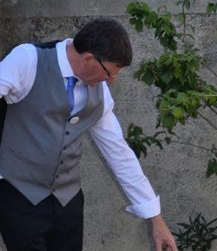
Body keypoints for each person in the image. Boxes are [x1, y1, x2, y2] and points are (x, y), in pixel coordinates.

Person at [0, 18, 177, 251]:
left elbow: (118, 152)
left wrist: (155, 219)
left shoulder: (99, 91)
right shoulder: (28, 59)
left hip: (68, 201)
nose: (111, 82)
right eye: (110, 73)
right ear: (89, 59)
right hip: (19, 195)